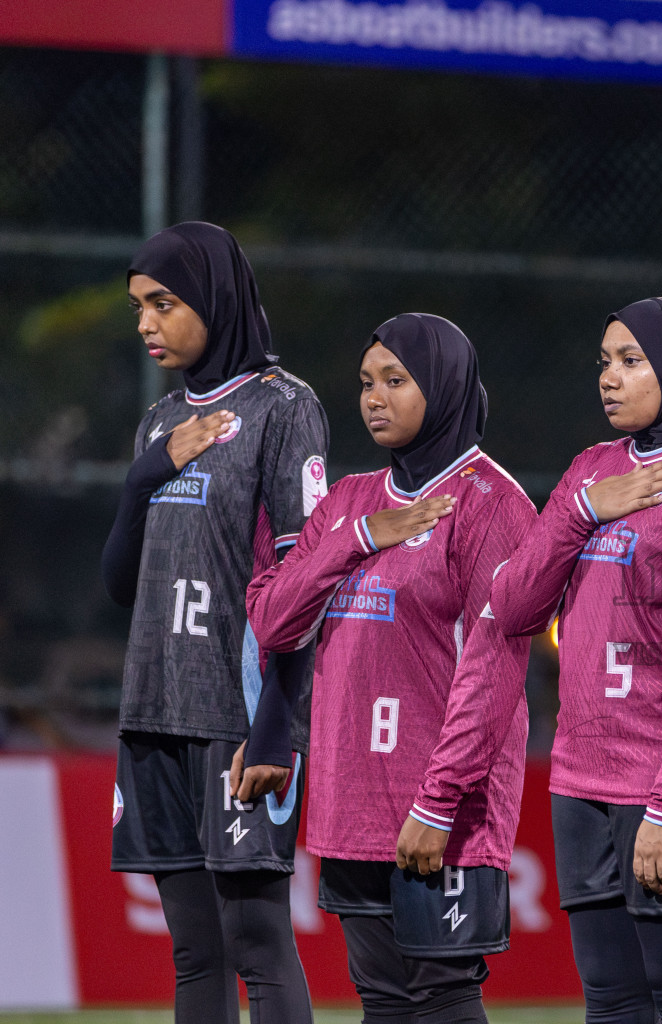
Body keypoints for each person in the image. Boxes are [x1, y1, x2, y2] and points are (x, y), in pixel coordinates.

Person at [246, 313, 536, 1024]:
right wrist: (360, 538)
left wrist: (438, 804)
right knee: (381, 1002)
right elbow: (274, 620)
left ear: (442, 387)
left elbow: (494, 673)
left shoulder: (491, 504)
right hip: (352, 801)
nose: (374, 397)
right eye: (367, 383)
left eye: (397, 381)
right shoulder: (350, 501)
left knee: (439, 997)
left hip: (442, 809)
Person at [491, 296, 662, 1023]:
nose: (611, 378)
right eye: (605, 361)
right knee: (610, 1002)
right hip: (579, 780)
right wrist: (583, 509)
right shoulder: (591, 470)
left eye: (633, 361)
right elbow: (513, 607)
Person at [103, 222, 325, 1023]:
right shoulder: (159, 420)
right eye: (138, 307)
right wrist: (146, 475)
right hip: (153, 712)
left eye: (163, 303)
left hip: (238, 718)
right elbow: (119, 585)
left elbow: (308, 582)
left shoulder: (282, 408)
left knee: (255, 941)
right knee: (194, 953)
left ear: (215, 297)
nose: (146, 323)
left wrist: (276, 728)